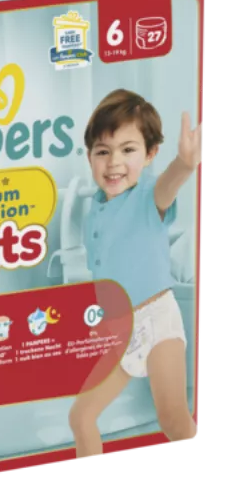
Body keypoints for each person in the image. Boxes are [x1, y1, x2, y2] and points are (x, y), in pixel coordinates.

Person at [69, 89, 204, 460]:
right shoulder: (93, 212)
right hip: (119, 329)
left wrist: (185, 164)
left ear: (150, 154)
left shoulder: (148, 195)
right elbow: (104, 275)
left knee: (173, 419)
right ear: (90, 156)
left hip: (157, 320)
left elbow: (167, 186)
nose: (114, 162)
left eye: (127, 149)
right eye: (102, 151)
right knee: (80, 416)